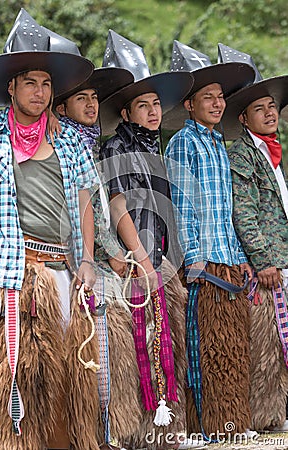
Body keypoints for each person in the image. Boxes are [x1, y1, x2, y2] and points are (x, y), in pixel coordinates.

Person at [0, 9, 100, 450]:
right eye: (30, 82)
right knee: (12, 374)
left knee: (66, 373)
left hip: (61, 268)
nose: (39, 91)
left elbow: (86, 200)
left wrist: (88, 260)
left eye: (47, 83)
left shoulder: (67, 138)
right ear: (11, 87)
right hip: (10, 270)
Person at [100, 31, 206, 450]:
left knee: (168, 345)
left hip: (160, 258)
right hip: (132, 260)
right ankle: (140, 435)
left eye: (156, 104)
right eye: (143, 105)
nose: (152, 111)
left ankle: (167, 433)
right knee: (139, 349)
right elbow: (118, 206)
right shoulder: (115, 148)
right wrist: (141, 258)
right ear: (126, 113)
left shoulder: (155, 150)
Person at [164, 41, 256, 440]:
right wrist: (195, 258)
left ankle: (234, 422)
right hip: (203, 263)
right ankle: (207, 426)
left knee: (234, 348)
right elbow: (183, 205)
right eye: (208, 98)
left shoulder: (218, 143)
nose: (217, 105)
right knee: (207, 350)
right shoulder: (183, 143)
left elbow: (227, 208)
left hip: (228, 258)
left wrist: (239, 257)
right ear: (189, 104)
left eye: (220, 98)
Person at [54, 66, 145, 450]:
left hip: (100, 258)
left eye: (94, 98)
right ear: (62, 109)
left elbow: (105, 206)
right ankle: (93, 436)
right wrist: (112, 253)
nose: (91, 105)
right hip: (76, 260)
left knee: (107, 351)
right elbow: (81, 207)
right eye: (81, 99)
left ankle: (105, 434)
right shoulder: (65, 141)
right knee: (92, 352)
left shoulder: (90, 142)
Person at [219, 43, 288, 432]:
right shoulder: (244, 153)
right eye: (260, 108)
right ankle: (265, 415)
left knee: (281, 338)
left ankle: (278, 410)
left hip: (282, 256)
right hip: (269, 263)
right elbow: (243, 211)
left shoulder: (270, 152)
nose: (270, 112)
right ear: (244, 118)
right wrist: (263, 260)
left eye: (272, 106)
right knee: (266, 342)